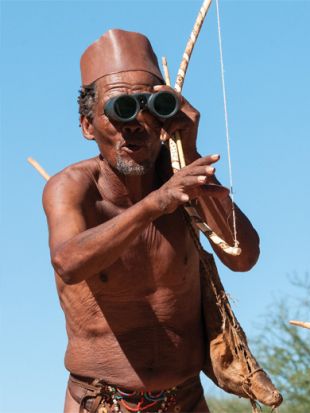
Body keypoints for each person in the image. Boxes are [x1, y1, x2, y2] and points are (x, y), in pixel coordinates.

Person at [43, 29, 260, 412]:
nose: (134, 123)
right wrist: (153, 205)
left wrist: (189, 154)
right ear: (87, 125)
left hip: (185, 399)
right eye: (120, 109)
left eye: (149, 106)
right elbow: (68, 262)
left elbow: (242, 257)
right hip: (102, 400)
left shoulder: (182, 179)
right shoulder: (73, 188)